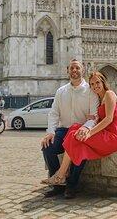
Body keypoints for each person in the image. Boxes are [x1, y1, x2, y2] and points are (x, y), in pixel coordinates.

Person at [41, 71, 117, 188]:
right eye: (92, 84)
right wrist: (93, 118)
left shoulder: (109, 94)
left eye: (97, 82)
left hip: (114, 136)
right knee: (75, 128)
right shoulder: (99, 98)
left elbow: (109, 119)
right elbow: (101, 118)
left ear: (103, 82)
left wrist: (89, 132)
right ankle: (64, 176)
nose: (95, 86)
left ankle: (61, 175)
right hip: (106, 133)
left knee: (75, 136)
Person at [40, 59, 99, 199]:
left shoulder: (90, 92)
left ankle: (72, 185)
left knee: (80, 151)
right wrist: (50, 132)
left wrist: (85, 128)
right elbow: (54, 113)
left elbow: (94, 115)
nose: (74, 71)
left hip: (81, 131)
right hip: (64, 130)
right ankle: (58, 184)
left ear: (82, 70)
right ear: (67, 71)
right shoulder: (61, 91)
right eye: (71, 68)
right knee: (47, 147)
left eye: (77, 68)